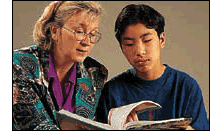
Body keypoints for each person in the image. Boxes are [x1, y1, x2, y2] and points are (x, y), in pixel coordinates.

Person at [95, 4, 209, 130]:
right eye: (129, 44)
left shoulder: (185, 86)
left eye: (147, 40)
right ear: (122, 48)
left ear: (162, 40)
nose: (140, 51)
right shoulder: (112, 91)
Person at [13, 1, 108, 130]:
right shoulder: (18, 64)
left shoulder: (95, 73)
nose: (87, 42)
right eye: (79, 31)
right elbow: (34, 125)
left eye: (92, 34)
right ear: (55, 31)